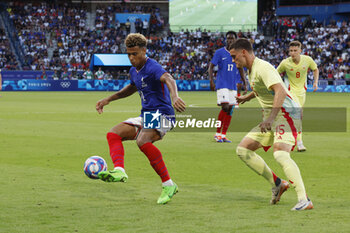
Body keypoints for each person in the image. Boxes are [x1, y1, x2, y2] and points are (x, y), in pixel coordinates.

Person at [95, 33, 186, 204]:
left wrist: (174, 97)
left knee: (143, 140)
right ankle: (120, 170)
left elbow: (168, 78)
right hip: (147, 116)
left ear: (144, 51)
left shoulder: (153, 67)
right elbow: (131, 88)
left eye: (135, 53)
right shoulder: (134, 70)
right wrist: (108, 99)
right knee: (113, 134)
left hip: (164, 115)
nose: (131, 57)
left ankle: (168, 185)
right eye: (128, 54)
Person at [230, 38, 313, 211]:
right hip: (272, 116)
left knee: (281, 154)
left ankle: (304, 199)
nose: (233, 60)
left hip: (286, 113)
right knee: (243, 150)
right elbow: (262, 88)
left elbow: (280, 90)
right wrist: (248, 97)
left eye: (234, 56)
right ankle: (277, 184)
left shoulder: (263, 67)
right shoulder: (253, 70)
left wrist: (269, 119)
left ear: (243, 52)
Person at [277, 41, 319, 152]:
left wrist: (315, 82)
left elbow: (315, 69)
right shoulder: (285, 63)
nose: (292, 53)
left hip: (302, 93)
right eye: (291, 51)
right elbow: (275, 74)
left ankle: (288, 139)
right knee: (297, 116)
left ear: (300, 50)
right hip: (290, 93)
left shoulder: (307, 60)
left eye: (295, 50)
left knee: (296, 117)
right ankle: (298, 142)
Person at [209, 31, 247, 143]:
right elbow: (211, 66)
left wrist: (244, 82)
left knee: (230, 110)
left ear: (236, 40)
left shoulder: (238, 53)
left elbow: (240, 68)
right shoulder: (220, 52)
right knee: (225, 107)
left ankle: (223, 135)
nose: (230, 40)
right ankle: (217, 134)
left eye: (232, 39)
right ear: (226, 40)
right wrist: (211, 81)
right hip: (222, 84)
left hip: (232, 85)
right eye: (228, 38)